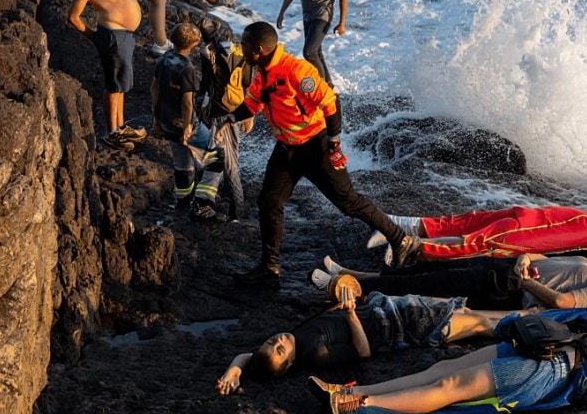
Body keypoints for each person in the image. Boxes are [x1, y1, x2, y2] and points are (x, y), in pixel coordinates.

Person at [218, 22, 419, 286]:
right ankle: (269, 269)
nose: (240, 48)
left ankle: (401, 239)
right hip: (286, 150)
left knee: (348, 202)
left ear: (258, 50)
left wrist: (334, 143)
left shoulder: (297, 70)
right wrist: (229, 118)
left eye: (244, 45)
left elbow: (331, 102)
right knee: (269, 202)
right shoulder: (262, 71)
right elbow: (254, 103)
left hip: (316, 148)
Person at [313, 307, 587, 414]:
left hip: (553, 372)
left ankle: (360, 407)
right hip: (544, 347)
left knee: (450, 387)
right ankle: (351, 391)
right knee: (443, 367)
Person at [216, 283, 523, 396]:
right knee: (481, 325)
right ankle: (534, 322)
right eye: (280, 349)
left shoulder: (290, 342)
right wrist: (350, 313)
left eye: (271, 341)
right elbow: (362, 352)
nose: (278, 340)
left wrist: (233, 371)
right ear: (289, 365)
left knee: (467, 311)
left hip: (390, 306)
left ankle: (532, 315)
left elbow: (249, 357)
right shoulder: (317, 354)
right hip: (404, 324)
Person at [312, 254, 587, 319]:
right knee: (431, 269)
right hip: (509, 269)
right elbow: (550, 259)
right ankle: (354, 274)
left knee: (430, 284)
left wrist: (525, 279)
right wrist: (526, 256)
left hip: (508, 288)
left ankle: (352, 289)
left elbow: (562, 302)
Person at [67, 0, 149, 150]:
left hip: (124, 35)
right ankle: (112, 133)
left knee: (121, 84)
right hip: (112, 36)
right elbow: (74, 17)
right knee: (113, 85)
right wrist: (94, 37)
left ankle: (120, 127)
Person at [367, 205, 587, 263]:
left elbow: (556, 230)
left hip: (523, 222)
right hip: (524, 225)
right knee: (470, 233)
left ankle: (403, 232)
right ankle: (403, 233)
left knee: (470, 231)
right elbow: (557, 232)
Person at [150, 22, 227, 222]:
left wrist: (156, 117)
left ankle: (183, 200)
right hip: (184, 124)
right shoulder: (187, 68)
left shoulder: (163, 59)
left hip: (166, 121)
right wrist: (187, 127)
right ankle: (203, 205)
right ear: (193, 44)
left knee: (182, 162)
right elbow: (187, 102)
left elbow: (154, 88)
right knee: (216, 158)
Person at [196, 33, 254, 222]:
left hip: (216, 115)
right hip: (232, 113)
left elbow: (205, 86)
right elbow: (248, 87)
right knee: (227, 163)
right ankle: (233, 209)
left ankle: (235, 213)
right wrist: (249, 116)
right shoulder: (242, 56)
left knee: (225, 164)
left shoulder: (208, 54)